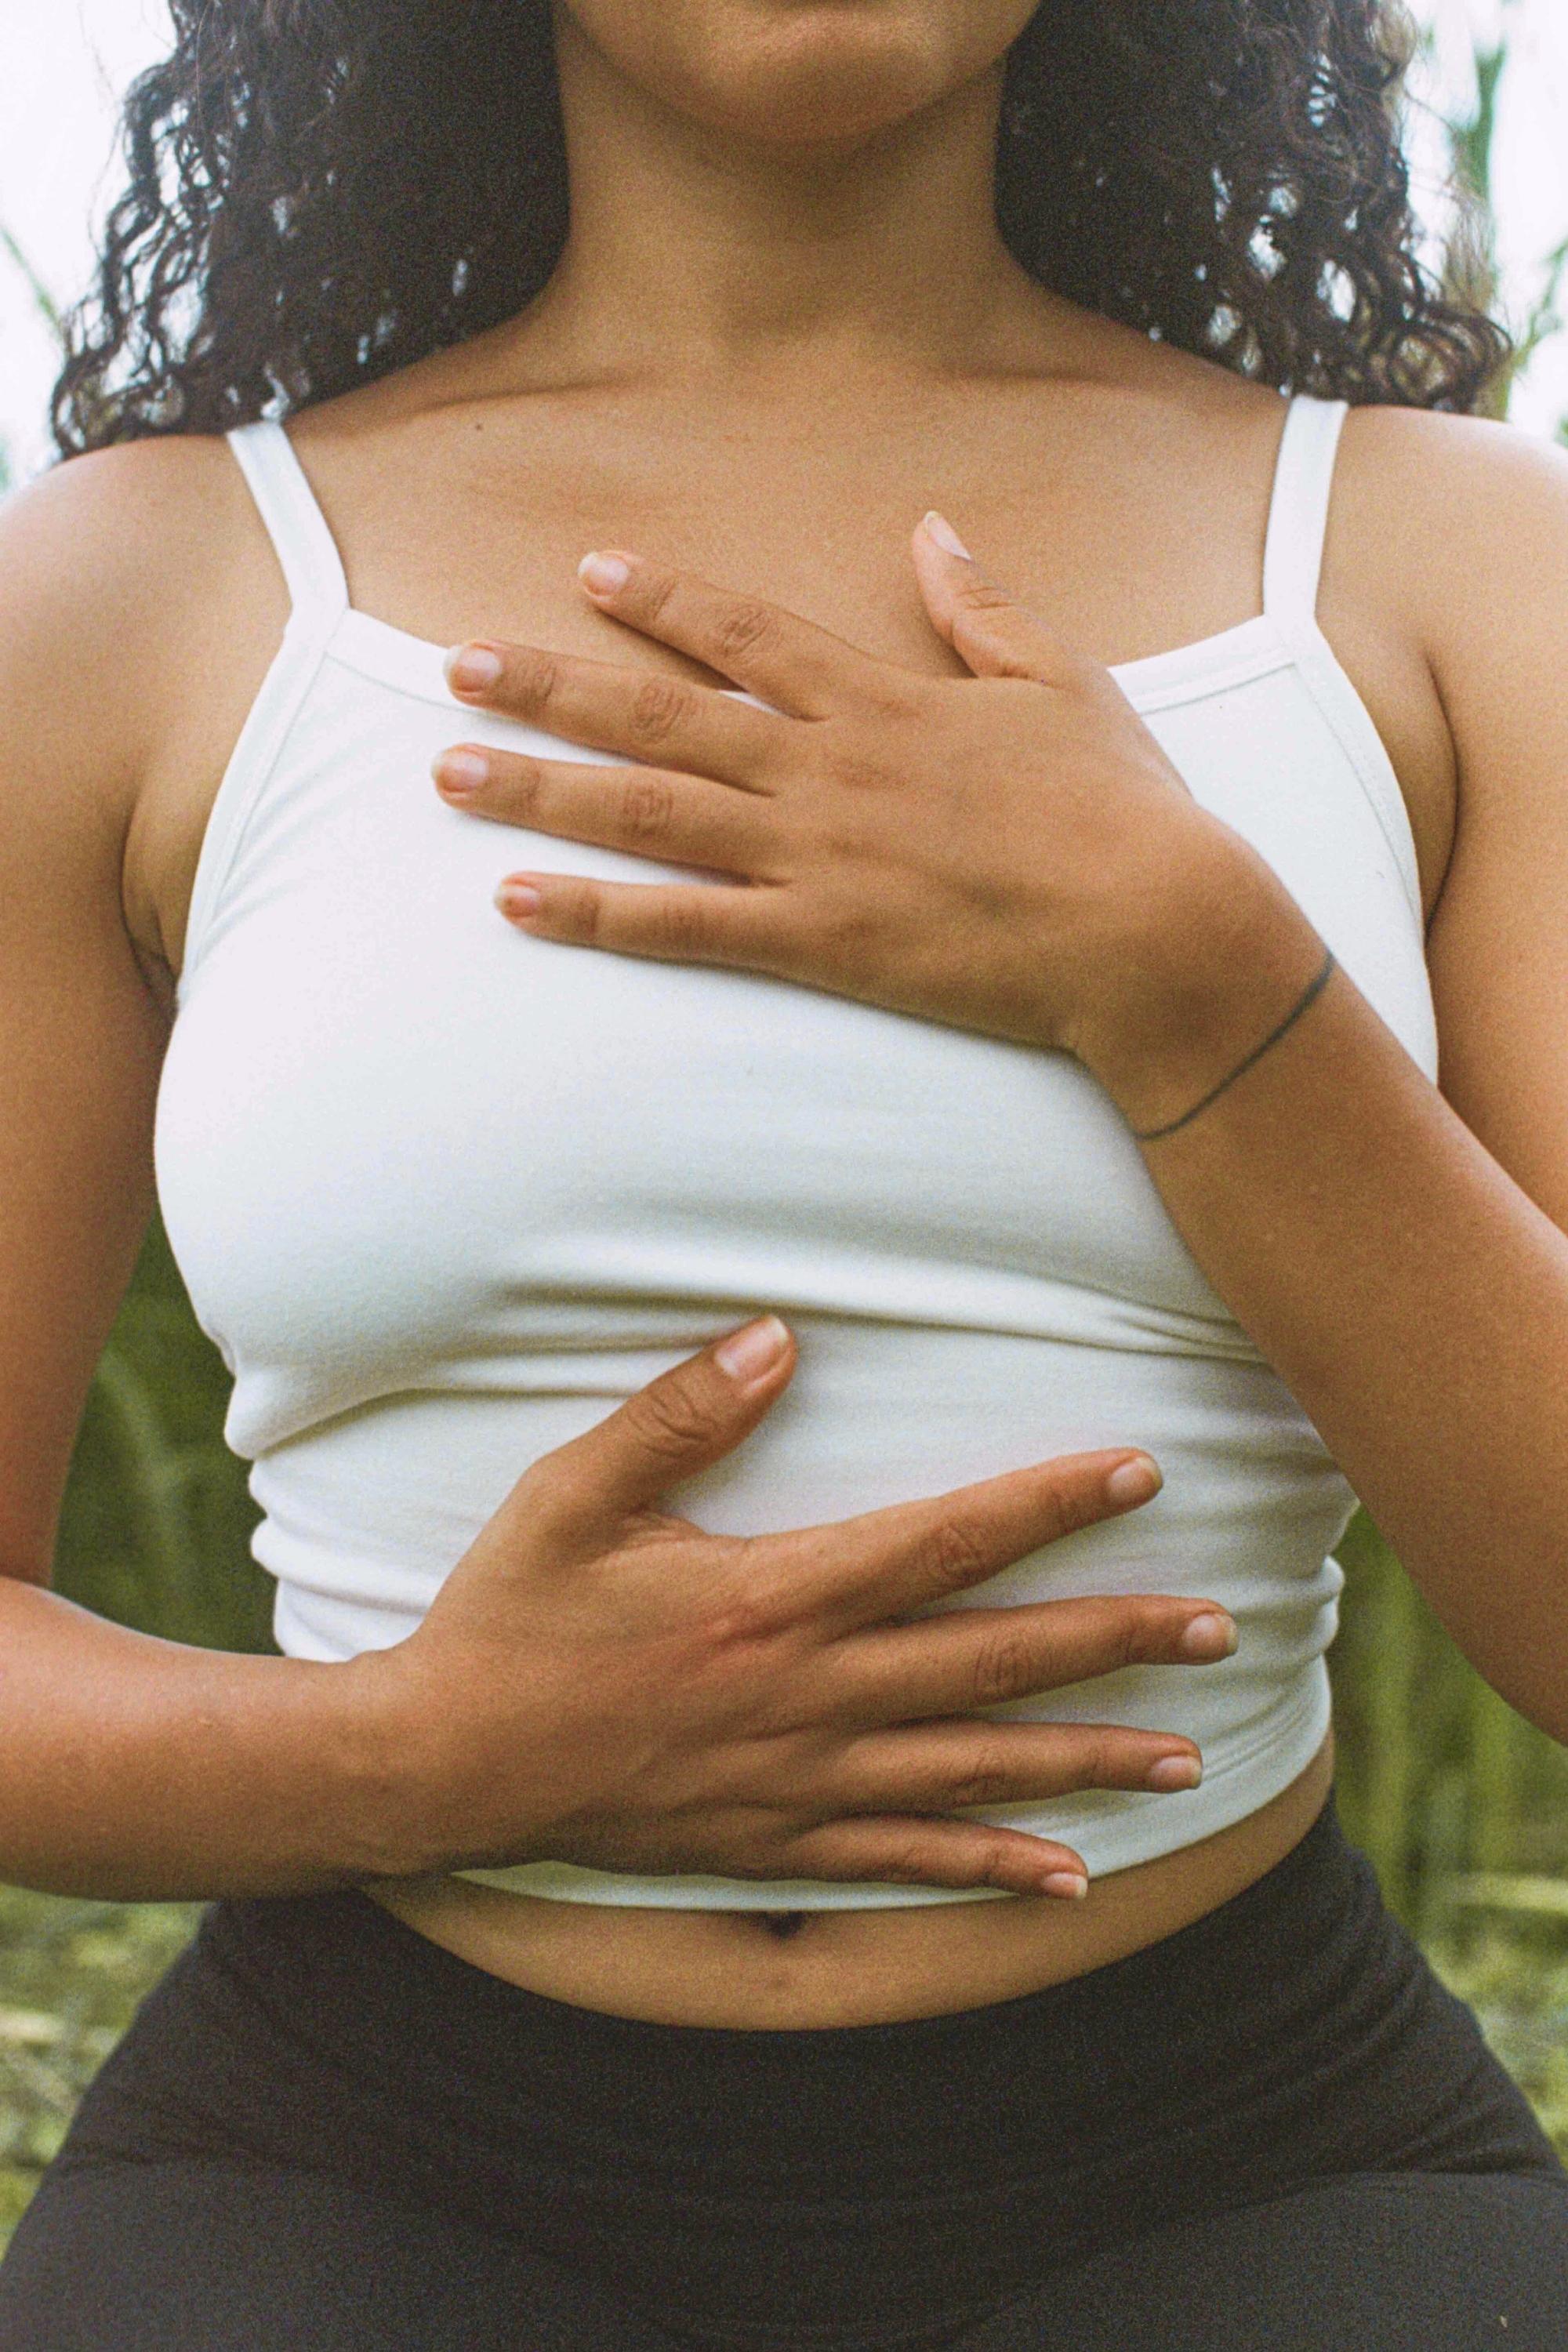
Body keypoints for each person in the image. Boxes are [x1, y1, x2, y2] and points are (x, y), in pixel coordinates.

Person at [2, 0, 1568, 2343]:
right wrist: (414, 1755)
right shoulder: (131, 591)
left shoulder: (1454, 564)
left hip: (1244, 2143)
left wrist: (1194, 979)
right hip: (358, 2148)